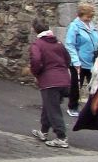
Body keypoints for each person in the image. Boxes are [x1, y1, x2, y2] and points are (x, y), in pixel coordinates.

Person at [29, 19, 72, 149]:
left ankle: (61, 137)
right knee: (49, 106)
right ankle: (43, 131)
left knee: (53, 109)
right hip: (64, 80)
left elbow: (36, 60)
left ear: (35, 30)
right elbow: (68, 59)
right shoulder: (58, 43)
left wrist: (37, 73)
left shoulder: (37, 44)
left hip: (49, 81)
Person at [64, 2, 97, 119]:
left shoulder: (91, 26)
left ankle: (94, 109)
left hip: (92, 62)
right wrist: (75, 61)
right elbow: (69, 44)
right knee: (76, 86)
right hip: (79, 63)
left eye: (91, 17)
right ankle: (72, 107)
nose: (89, 19)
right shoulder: (74, 26)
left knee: (95, 86)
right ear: (80, 15)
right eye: (87, 16)